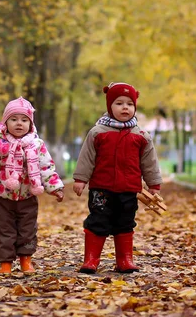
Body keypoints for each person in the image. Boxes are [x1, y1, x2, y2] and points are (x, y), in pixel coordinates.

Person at [73, 82, 163, 274]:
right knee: (98, 220)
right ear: (109, 106)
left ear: (135, 108)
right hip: (101, 188)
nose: (125, 107)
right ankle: (91, 259)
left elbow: (149, 162)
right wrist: (81, 179)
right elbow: (87, 156)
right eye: (119, 103)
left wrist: (153, 183)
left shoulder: (140, 135)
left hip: (129, 189)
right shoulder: (98, 132)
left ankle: (124, 259)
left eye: (129, 104)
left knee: (125, 222)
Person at [0, 97, 64, 274]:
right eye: (13, 119)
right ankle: (5, 263)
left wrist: (55, 187)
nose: (19, 124)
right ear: (5, 122)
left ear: (30, 124)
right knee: (3, 229)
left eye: (24, 120)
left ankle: (26, 260)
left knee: (28, 230)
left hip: (28, 196)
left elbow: (46, 166)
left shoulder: (36, 145)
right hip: (2, 197)